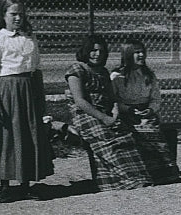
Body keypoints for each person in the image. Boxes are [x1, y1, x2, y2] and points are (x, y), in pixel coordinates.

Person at [0, 0, 54, 202]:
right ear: (3, 15)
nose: (18, 18)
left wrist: (41, 99)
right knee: (7, 137)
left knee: (28, 133)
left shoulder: (30, 39)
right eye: (13, 14)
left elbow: (37, 70)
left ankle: (25, 183)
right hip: (7, 92)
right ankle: (5, 185)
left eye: (21, 14)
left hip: (28, 91)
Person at [65, 34, 154, 191]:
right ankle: (129, 180)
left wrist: (114, 113)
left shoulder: (103, 72)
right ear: (86, 51)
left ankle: (124, 180)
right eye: (93, 50)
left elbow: (112, 98)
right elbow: (80, 101)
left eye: (100, 51)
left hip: (105, 112)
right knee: (106, 137)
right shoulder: (76, 70)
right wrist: (104, 118)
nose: (97, 54)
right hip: (85, 115)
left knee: (125, 135)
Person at [110, 38, 181, 184]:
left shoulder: (148, 75)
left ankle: (165, 173)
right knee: (135, 135)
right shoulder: (117, 76)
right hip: (126, 113)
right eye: (136, 52)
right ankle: (144, 173)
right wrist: (128, 109)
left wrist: (150, 110)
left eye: (142, 52)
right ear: (127, 55)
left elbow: (156, 98)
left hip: (146, 112)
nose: (141, 55)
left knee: (152, 132)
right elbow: (113, 100)